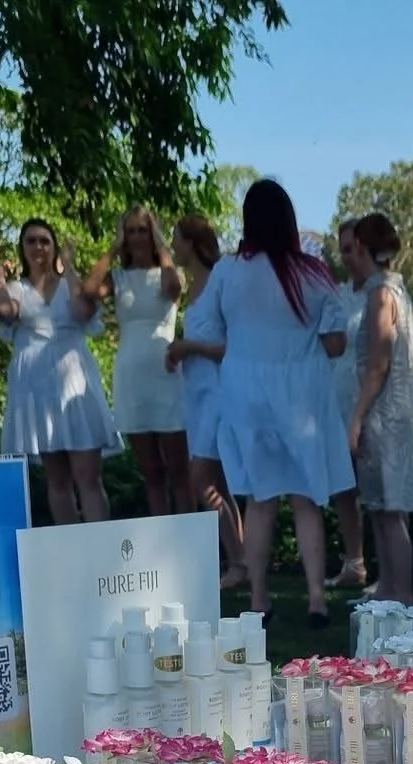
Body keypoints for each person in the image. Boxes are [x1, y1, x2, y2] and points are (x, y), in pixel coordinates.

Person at [201, 179, 353, 626]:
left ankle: (259, 601)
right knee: (307, 500)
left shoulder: (228, 272)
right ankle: (316, 601)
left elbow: (211, 328)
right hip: (301, 394)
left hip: (247, 394)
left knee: (260, 501)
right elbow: (338, 341)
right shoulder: (312, 271)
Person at [0, 218, 118, 525]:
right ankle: (71, 554)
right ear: (22, 247)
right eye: (31, 240)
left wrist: (69, 267)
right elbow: (2, 311)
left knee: (88, 475)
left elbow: (81, 311)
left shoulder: (69, 284)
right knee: (57, 479)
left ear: (54, 247)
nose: (38, 247)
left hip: (72, 378)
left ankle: (103, 552)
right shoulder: (16, 290)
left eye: (45, 241)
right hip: (35, 386)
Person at [82, 208, 190, 515]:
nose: (137, 237)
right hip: (131, 375)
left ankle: (192, 540)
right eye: (131, 231)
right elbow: (89, 291)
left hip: (166, 372)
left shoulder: (169, 272)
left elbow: (173, 289)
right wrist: (113, 249)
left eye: (143, 230)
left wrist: (162, 249)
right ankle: (162, 541)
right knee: (152, 472)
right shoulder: (118, 279)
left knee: (179, 469)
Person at [345, 213, 413, 606]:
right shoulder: (394, 289)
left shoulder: (381, 296)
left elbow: (378, 365)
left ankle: (403, 595)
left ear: (362, 246)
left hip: (384, 416)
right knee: (380, 507)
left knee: (392, 511)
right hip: (390, 415)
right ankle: (388, 588)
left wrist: (356, 417)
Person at [165, 215, 246, 586]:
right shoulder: (191, 287)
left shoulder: (219, 284)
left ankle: (238, 562)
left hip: (220, 393)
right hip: (195, 395)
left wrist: (189, 346)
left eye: (177, 240)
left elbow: (234, 346)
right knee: (219, 483)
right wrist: (179, 354)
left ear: (193, 243)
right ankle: (240, 562)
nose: (173, 246)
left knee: (202, 479)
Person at [326, 217, 367, 592]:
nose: (348, 257)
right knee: (343, 486)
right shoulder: (338, 295)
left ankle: (389, 572)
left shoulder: (380, 294)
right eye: (344, 250)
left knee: (375, 490)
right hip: (337, 400)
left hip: (369, 402)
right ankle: (354, 562)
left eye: (353, 249)